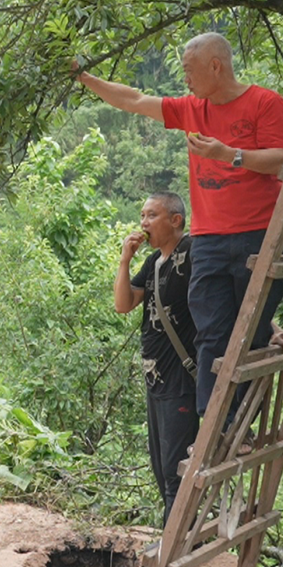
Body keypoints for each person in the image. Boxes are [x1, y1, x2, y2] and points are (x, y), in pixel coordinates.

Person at [76, 32, 283, 425]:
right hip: (208, 237)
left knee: (251, 335)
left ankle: (240, 424)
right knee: (210, 332)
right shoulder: (192, 108)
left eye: (190, 71)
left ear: (216, 66)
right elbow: (134, 100)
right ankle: (212, 424)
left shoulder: (265, 102)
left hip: (259, 233)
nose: (186, 80)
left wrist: (228, 155)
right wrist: (85, 78)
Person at [113, 192, 197, 523]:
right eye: (142, 217)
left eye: (151, 216)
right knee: (162, 470)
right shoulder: (153, 262)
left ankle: (173, 548)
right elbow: (123, 304)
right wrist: (125, 260)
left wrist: (274, 330)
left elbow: (230, 296)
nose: (143, 223)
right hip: (155, 381)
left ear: (175, 220)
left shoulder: (192, 252)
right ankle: (177, 543)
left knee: (176, 471)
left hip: (180, 379)